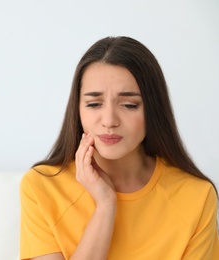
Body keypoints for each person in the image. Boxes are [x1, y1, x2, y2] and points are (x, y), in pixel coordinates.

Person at [19, 36, 219, 260]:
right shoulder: (41, 187)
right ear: (78, 110)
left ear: (153, 109)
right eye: (94, 104)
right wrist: (105, 206)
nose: (109, 120)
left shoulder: (197, 196)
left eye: (129, 105)